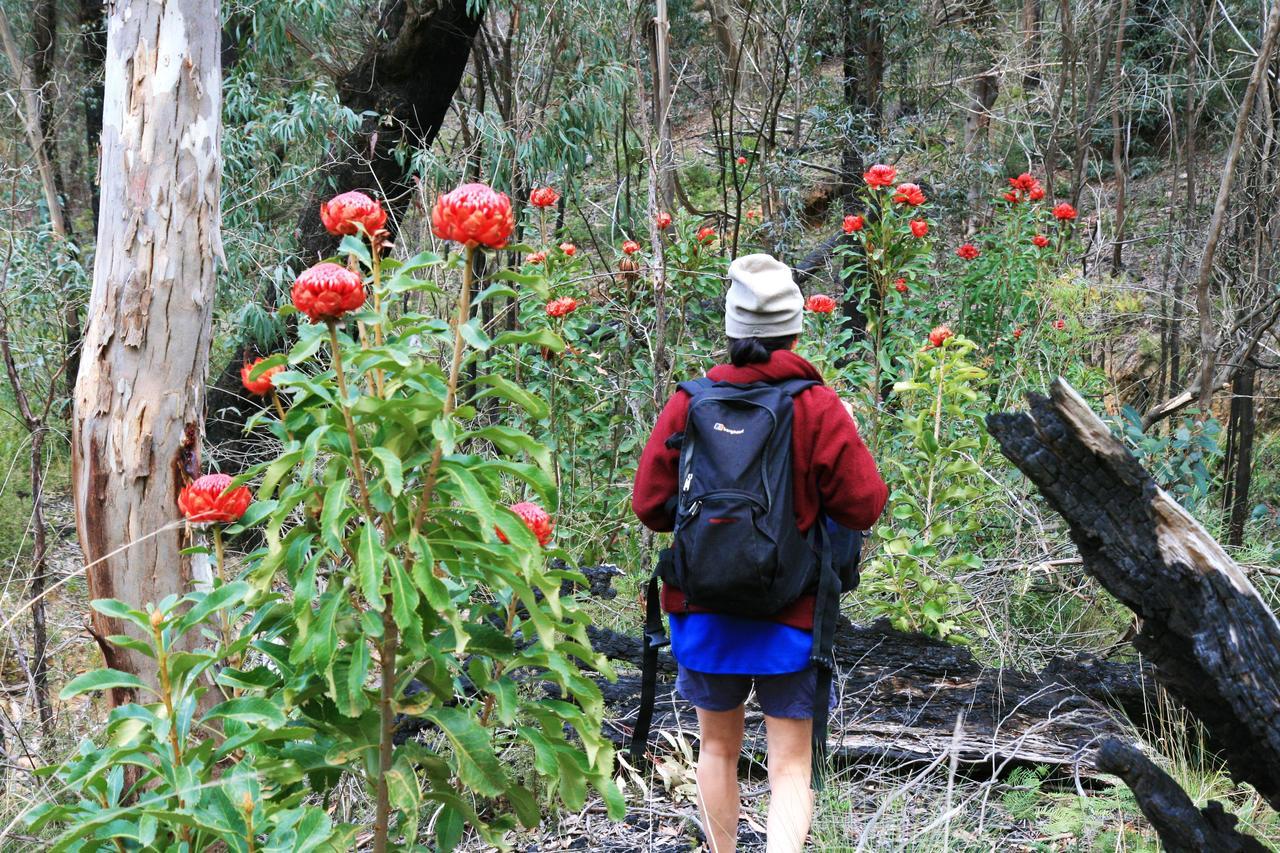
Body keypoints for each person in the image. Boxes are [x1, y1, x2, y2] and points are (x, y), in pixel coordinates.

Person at [632, 253, 888, 853]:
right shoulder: (817, 407)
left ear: (730, 331)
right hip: (789, 614)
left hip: (704, 605)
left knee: (716, 747)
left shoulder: (689, 402)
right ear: (797, 330)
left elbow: (649, 505)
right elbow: (864, 505)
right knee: (790, 765)